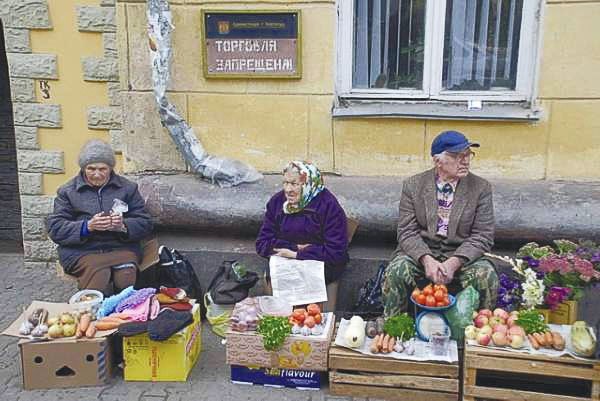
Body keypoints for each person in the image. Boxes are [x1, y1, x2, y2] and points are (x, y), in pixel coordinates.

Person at [383, 130, 498, 317]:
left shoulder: (481, 188)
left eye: (468, 154)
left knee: (485, 273)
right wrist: (426, 259)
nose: (465, 160)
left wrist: (454, 263)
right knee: (397, 269)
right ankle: (394, 330)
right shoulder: (413, 185)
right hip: (422, 254)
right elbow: (406, 232)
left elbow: (482, 235)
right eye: (458, 156)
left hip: (460, 255)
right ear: (438, 161)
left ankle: (476, 336)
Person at [48, 139, 153, 296]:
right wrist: (87, 226)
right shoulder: (67, 192)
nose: (97, 174)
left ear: (111, 168)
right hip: (82, 251)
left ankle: (122, 313)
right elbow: (56, 229)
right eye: (91, 169)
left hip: (120, 247)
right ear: (83, 168)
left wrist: (123, 226)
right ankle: (93, 312)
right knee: (100, 275)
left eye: (102, 169)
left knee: (126, 274)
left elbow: (145, 223)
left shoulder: (128, 188)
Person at [256, 161, 349, 311]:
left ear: (308, 183)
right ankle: (284, 320)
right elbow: (262, 244)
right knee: (276, 272)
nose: (288, 189)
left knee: (311, 273)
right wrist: (294, 248)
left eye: (294, 184)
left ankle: (313, 321)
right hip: (285, 258)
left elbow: (337, 252)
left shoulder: (328, 206)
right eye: (285, 183)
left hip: (321, 263)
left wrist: (299, 254)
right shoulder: (277, 203)